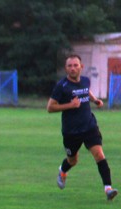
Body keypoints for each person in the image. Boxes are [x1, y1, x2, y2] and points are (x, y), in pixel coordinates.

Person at [47, 54, 118, 200]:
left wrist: (95, 100)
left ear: (81, 67)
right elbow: (50, 107)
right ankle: (62, 171)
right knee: (73, 160)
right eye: (69, 66)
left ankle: (108, 189)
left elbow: (85, 91)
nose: (72, 68)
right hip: (71, 131)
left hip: (89, 126)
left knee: (99, 154)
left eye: (75, 65)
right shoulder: (62, 86)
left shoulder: (85, 80)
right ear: (66, 68)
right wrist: (70, 105)